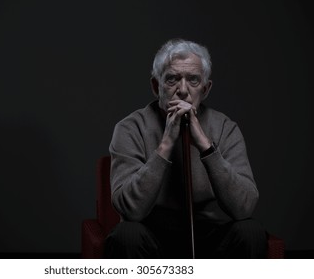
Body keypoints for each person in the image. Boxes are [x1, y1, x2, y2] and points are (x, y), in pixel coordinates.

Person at [104, 38, 267, 259]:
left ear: (206, 88)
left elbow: (244, 207)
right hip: (152, 238)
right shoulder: (130, 128)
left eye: (193, 80)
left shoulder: (226, 128)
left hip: (210, 235)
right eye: (172, 79)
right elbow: (130, 210)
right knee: (126, 235)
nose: (182, 90)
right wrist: (166, 144)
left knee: (251, 232)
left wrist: (205, 146)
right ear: (156, 86)